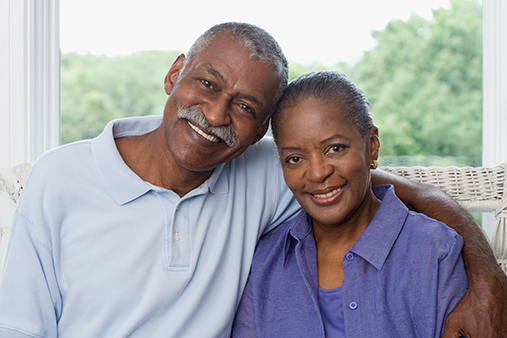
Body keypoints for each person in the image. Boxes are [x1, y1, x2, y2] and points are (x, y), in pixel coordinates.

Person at [0, 22, 504, 338]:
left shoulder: (271, 170)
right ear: (175, 73)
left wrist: (488, 282)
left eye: (244, 107)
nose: (215, 114)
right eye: (206, 83)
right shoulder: (60, 179)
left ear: (259, 130)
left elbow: (398, 191)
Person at [232, 71, 469, 337]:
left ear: (373, 146)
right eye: (295, 159)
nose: (318, 173)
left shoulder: (434, 252)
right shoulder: (266, 260)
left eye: (335, 148)